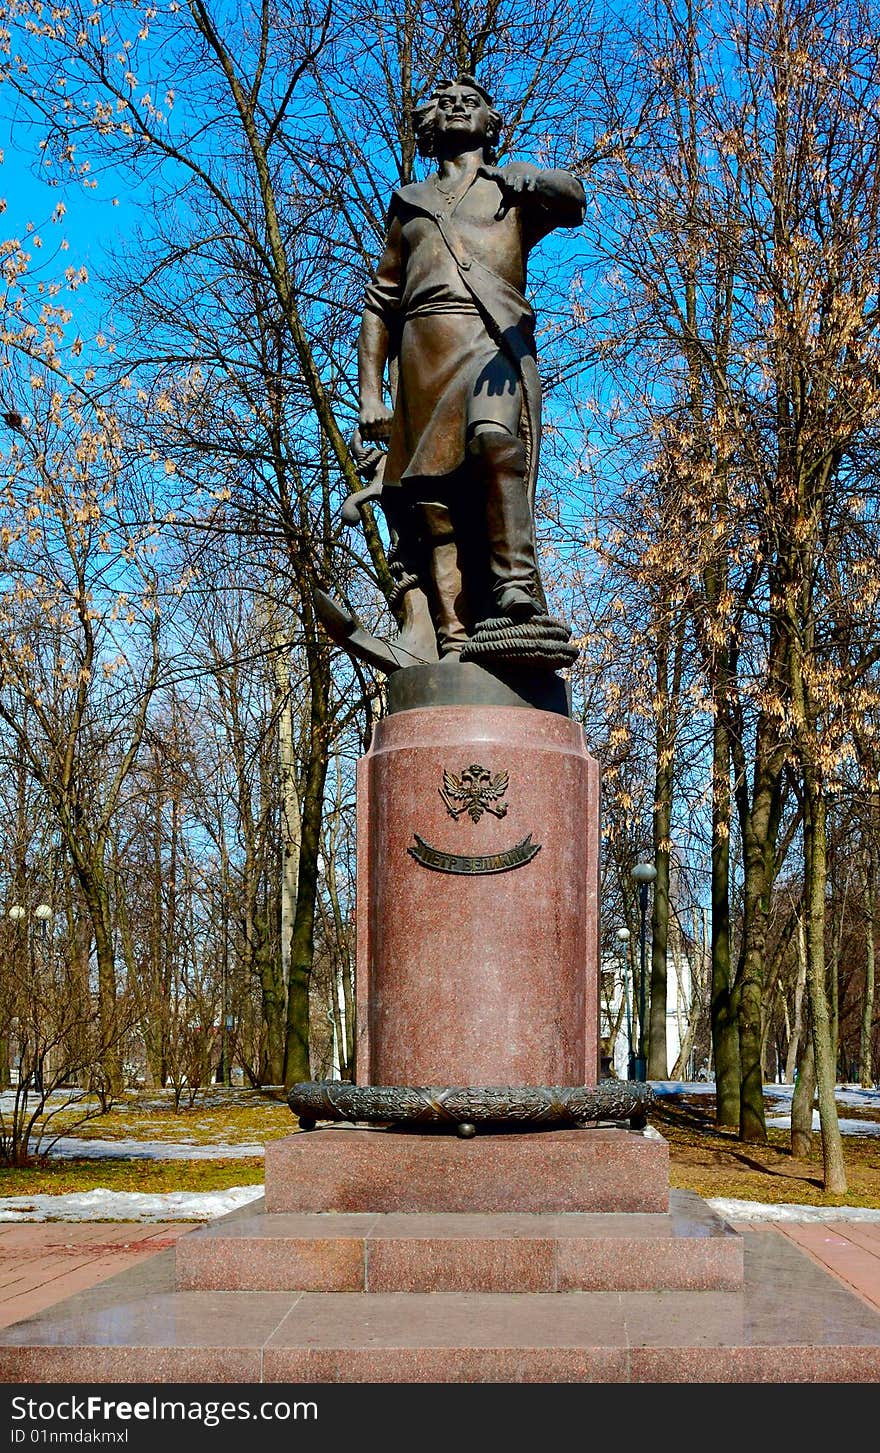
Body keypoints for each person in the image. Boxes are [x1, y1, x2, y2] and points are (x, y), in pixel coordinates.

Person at [356, 73, 584, 666]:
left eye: (472, 102)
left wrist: (532, 178)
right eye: (446, 103)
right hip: (424, 357)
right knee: (431, 505)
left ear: (490, 123)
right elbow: (382, 303)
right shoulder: (409, 205)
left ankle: (515, 582)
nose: (458, 108)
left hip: (491, 344)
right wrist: (371, 395)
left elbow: (575, 200)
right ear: (431, 125)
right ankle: (454, 643)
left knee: (494, 440)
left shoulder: (510, 192)